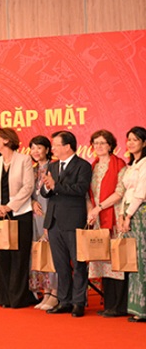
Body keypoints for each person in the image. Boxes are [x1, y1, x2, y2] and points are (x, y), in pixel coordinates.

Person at [41, 130, 93, 318]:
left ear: (67, 146)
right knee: (60, 264)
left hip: (73, 220)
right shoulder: (52, 166)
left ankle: (79, 302)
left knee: (78, 263)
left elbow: (80, 189)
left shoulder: (83, 166)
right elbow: (45, 192)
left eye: (55, 145)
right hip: (54, 221)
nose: (52, 148)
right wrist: (47, 186)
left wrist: (56, 186)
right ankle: (64, 300)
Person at [0, 127, 36, 309]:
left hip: (20, 213)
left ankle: (18, 298)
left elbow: (28, 187)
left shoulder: (24, 160)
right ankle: (4, 297)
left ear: (6, 140)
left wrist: (9, 206)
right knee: (1, 257)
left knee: (19, 257)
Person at [85, 130, 127, 317]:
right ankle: (108, 303)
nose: (99, 146)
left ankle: (119, 305)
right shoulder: (92, 167)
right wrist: (91, 213)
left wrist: (99, 208)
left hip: (114, 218)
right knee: (104, 261)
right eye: (96, 143)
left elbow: (119, 192)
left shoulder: (120, 165)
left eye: (103, 143)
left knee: (117, 262)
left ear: (111, 145)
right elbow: (88, 195)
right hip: (98, 219)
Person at [118, 126, 146, 322]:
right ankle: (135, 307)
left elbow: (140, 193)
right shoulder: (131, 165)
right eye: (128, 139)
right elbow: (125, 193)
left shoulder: (145, 164)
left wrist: (128, 215)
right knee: (133, 260)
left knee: (142, 260)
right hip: (128, 212)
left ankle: (143, 309)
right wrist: (121, 214)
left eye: (135, 139)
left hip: (140, 213)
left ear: (144, 143)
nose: (130, 143)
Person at [28, 135, 59, 311]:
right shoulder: (31, 170)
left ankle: (55, 293)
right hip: (36, 217)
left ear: (47, 149)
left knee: (53, 254)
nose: (36, 151)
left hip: (52, 215)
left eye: (39, 147)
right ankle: (45, 292)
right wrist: (32, 203)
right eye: (33, 148)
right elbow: (28, 193)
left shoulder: (54, 167)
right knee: (40, 254)